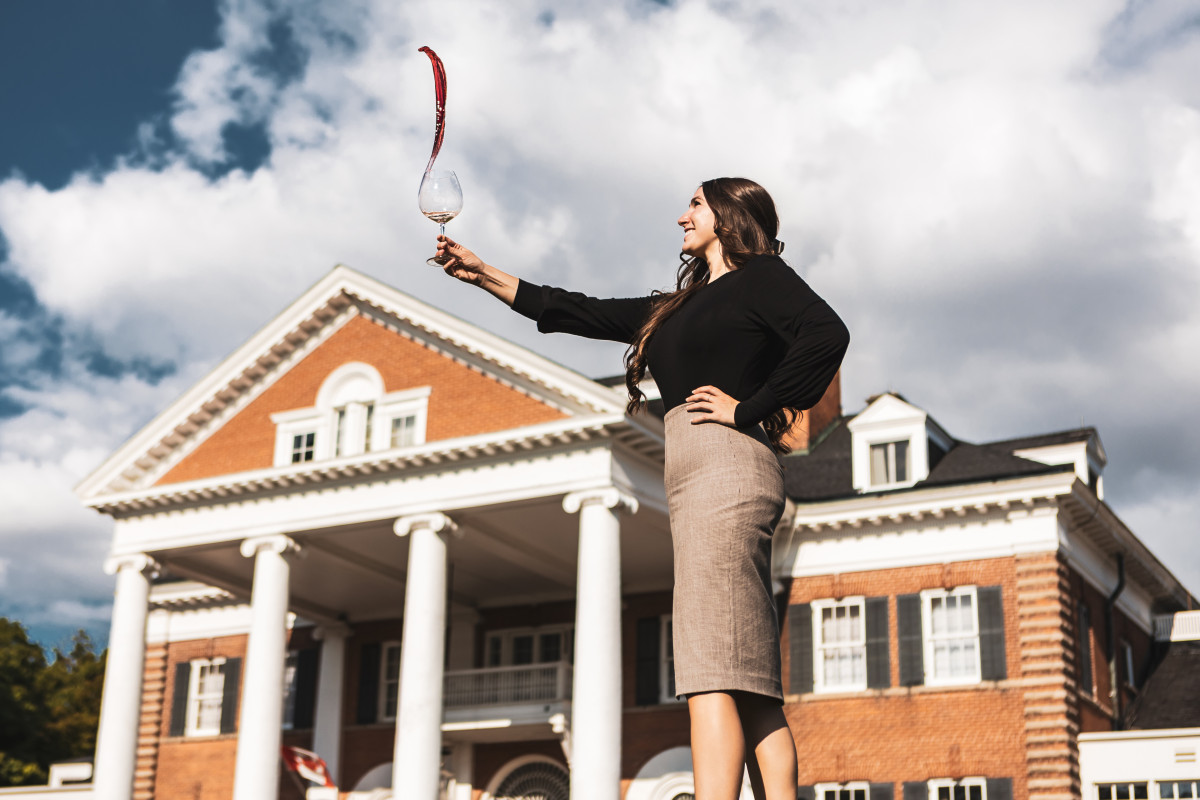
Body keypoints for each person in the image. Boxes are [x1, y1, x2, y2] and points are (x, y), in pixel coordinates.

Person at [430, 177, 849, 800]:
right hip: (695, 477)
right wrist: (483, 272)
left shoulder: (762, 276)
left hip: (728, 468)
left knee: (710, 667)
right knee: (745, 674)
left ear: (730, 216)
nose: (683, 216)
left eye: (696, 204)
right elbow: (579, 310)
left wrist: (750, 407)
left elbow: (827, 334)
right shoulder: (675, 307)